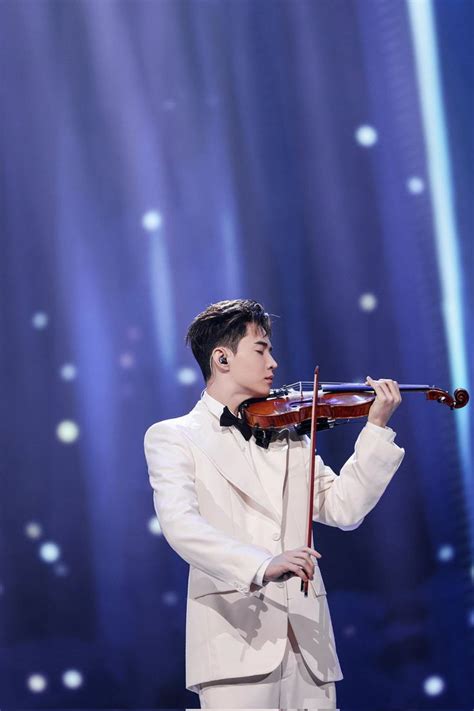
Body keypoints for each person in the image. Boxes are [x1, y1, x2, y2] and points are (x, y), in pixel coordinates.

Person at [144, 299, 404, 709]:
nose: (275, 363)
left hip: (309, 644)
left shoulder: (290, 436)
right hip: (233, 643)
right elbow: (182, 528)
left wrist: (375, 429)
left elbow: (344, 509)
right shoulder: (173, 436)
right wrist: (262, 565)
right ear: (222, 358)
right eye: (261, 349)